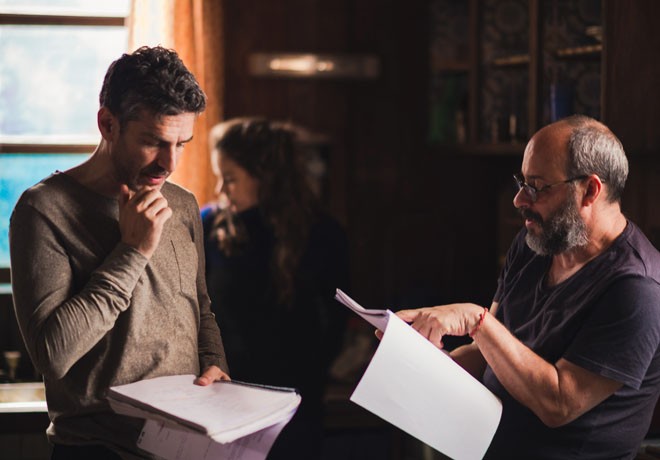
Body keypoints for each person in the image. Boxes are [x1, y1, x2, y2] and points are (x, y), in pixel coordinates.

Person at [386, 115, 660, 459]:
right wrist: (416, 362)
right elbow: (489, 354)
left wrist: (477, 321)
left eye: (537, 186)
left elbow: (559, 403)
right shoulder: (537, 243)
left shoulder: (637, 289)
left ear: (590, 190)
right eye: (522, 182)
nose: (519, 199)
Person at [9, 46, 229, 460]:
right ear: (108, 124)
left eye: (181, 143)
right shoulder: (43, 209)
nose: (170, 163)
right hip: (97, 450)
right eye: (153, 142)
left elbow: (200, 309)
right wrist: (132, 251)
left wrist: (215, 361)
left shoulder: (182, 205)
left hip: (185, 447)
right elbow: (53, 355)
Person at [201, 118, 350, 459]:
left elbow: (334, 325)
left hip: (293, 410)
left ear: (265, 177)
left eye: (231, 178)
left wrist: (307, 384)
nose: (221, 189)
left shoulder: (322, 236)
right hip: (223, 404)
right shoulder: (209, 226)